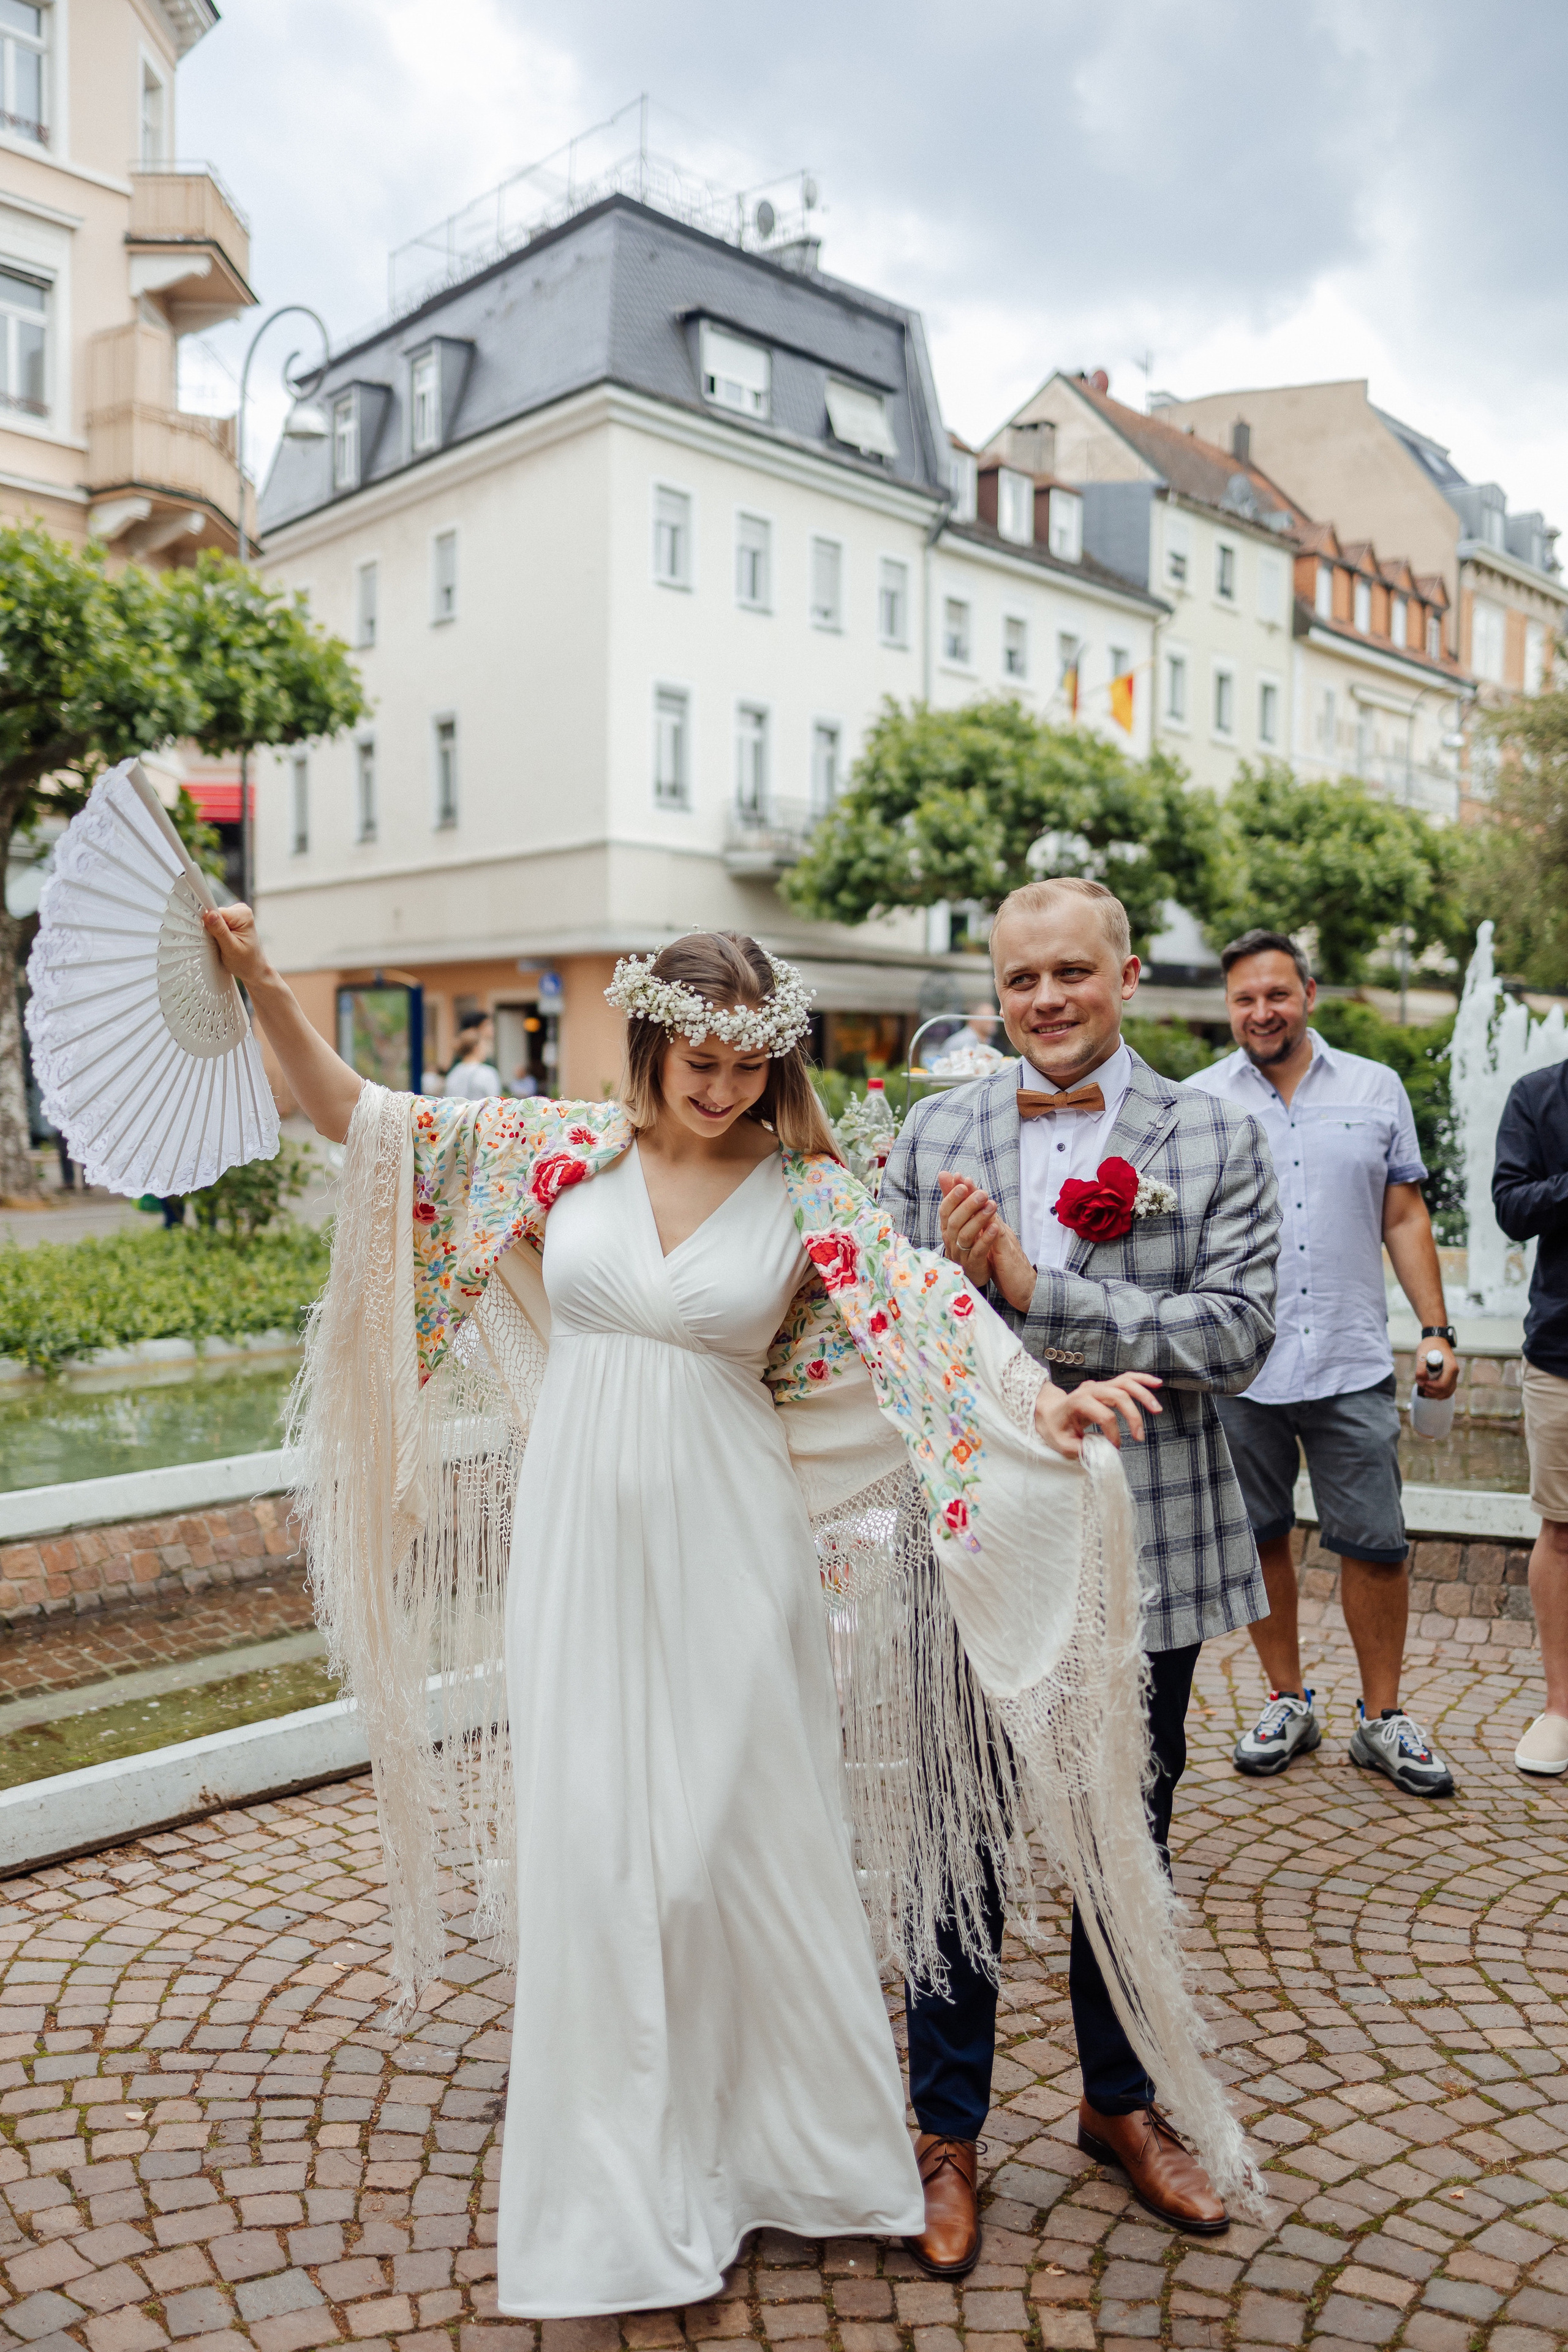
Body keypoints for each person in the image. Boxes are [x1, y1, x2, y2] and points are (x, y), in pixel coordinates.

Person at [194, 907, 1245, 2317]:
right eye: (694, 1057)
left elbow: (927, 1325)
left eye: (746, 1063)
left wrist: (1040, 1402)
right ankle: (621, 2183)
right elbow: (358, 1119)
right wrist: (262, 979)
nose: (719, 1085)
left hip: (730, 1548)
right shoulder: (556, 1152)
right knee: (597, 1844)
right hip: (580, 1546)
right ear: (648, 1040)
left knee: (719, 1843)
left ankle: (781, 2147)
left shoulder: (806, 1188)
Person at [881, 875, 1279, 2261]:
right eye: (1017, 979)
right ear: (994, 990)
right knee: (955, 1847)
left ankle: (1119, 2104)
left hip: (1140, 1545)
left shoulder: (1212, 1133)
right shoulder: (931, 1128)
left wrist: (1042, 1292)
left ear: (1121, 976)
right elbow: (888, 1334)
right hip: (965, 1544)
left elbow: (1234, 1334)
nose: (1042, 999)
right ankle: (943, 2128)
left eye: (1068, 972)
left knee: (1125, 1828)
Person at [1188, 929, 1460, 1796]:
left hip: (1348, 1357)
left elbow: (1405, 1216)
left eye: (1276, 994)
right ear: (1227, 1008)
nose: (1261, 1011)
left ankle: (1381, 1719)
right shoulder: (1198, 1104)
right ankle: (1286, 1701)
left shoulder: (1376, 1090)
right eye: (1243, 999)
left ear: (1309, 993)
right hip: (1242, 1368)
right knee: (1261, 1536)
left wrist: (1436, 1328)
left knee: (1376, 1543)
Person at [1492, 1057, 1568, 1774]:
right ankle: (1560, 1709)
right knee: (1563, 1529)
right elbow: (1511, 1208)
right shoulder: (1538, 1095)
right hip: (1562, 1353)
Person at [443, 1012, 501, 1098]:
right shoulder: (487, 1071)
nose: (492, 1028)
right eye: (487, 1025)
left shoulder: (455, 1071)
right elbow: (495, 1103)